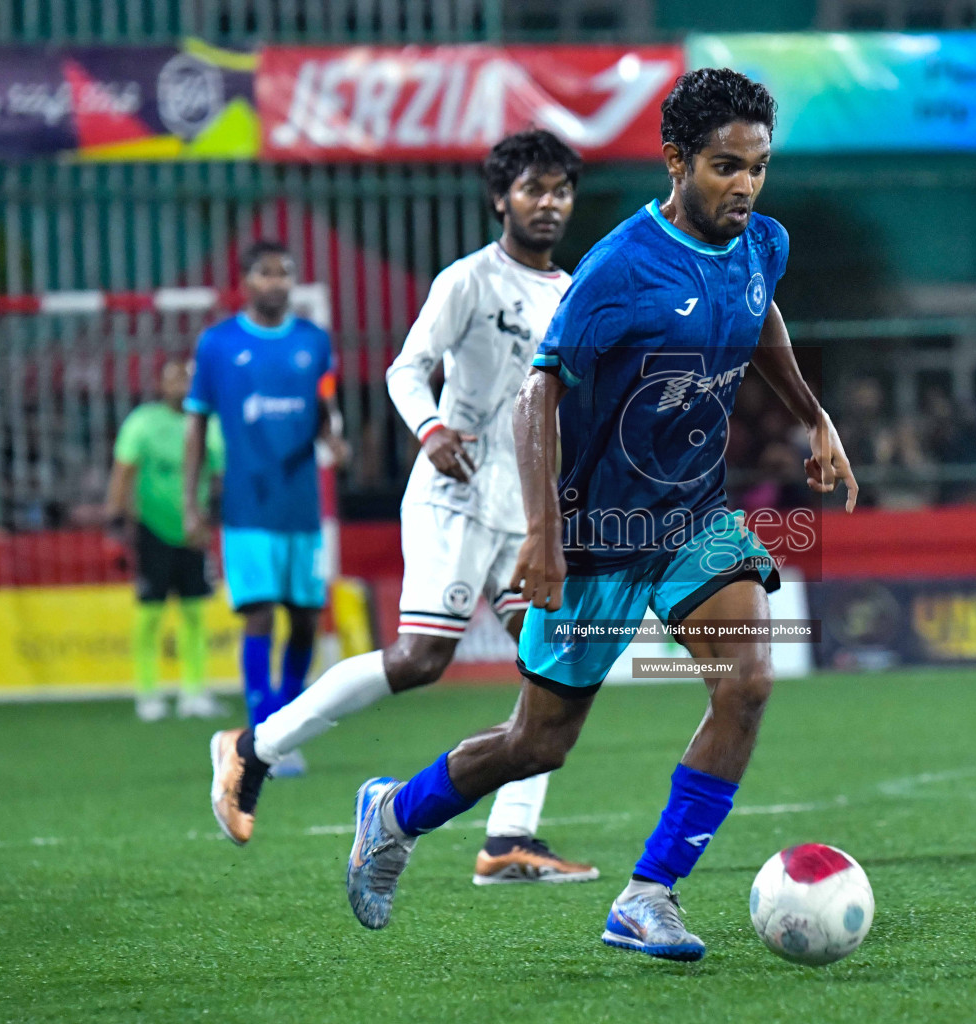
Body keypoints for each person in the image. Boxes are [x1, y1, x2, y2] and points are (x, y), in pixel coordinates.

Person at [340, 69, 858, 960]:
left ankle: (648, 894)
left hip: (693, 518)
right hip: (596, 536)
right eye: (725, 167)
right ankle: (394, 813)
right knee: (537, 742)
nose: (745, 186)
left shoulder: (759, 242)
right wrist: (544, 537)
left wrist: (814, 415)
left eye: (758, 167)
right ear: (675, 161)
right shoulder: (620, 266)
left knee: (747, 684)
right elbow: (535, 399)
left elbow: (759, 313)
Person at [207, 132, 596, 884]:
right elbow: (405, 368)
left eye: (560, 191)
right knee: (421, 659)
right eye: (531, 189)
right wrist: (433, 430)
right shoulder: (468, 282)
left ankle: (509, 840)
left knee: (558, 661)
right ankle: (254, 746)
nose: (547, 204)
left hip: (521, 509)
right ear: (499, 198)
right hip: (453, 496)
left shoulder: (570, 294)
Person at [184, 241, 347, 784]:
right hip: (246, 506)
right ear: (245, 281)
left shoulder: (313, 342)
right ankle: (262, 733)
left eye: (285, 272)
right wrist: (191, 501)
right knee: (259, 613)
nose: (276, 282)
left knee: (303, 619)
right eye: (265, 273)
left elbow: (324, 408)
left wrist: (334, 440)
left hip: (301, 506)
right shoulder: (218, 344)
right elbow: (196, 424)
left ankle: (285, 722)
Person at [105, 360, 227, 722]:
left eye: (187, 378)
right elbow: (124, 472)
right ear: (160, 384)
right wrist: (115, 521)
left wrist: (213, 519)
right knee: (150, 613)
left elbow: (221, 475)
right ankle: (148, 693)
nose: (181, 384)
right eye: (173, 377)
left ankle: (194, 692)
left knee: (194, 612)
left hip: (193, 531)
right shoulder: (143, 422)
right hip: (152, 529)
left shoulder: (210, 424)